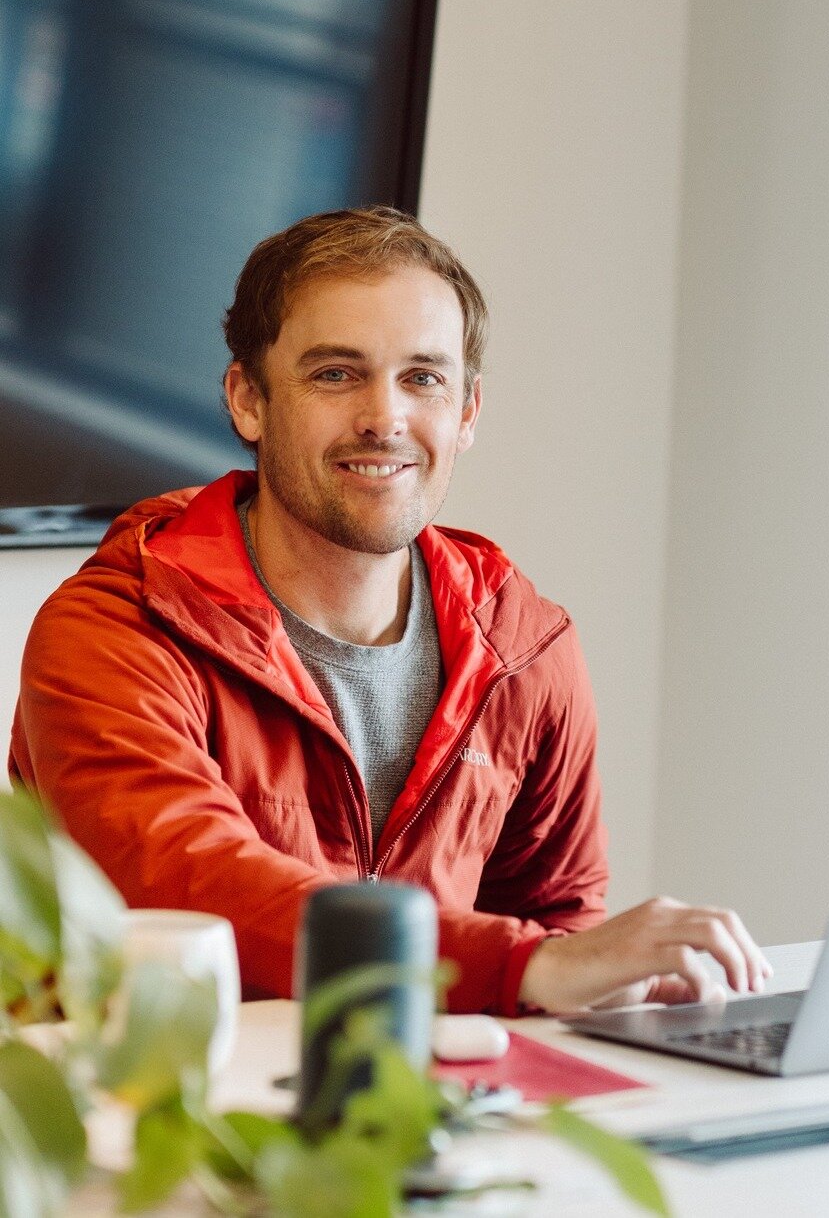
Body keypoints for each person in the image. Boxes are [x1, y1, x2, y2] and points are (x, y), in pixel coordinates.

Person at [9, 206, 769, 1014]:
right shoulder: (115, 628)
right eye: (335, 373)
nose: (385, 416)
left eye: (422, 377)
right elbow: (190, 878)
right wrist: (518, 968)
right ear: (248, 400)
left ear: (467, 411)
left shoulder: (526, 649)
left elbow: (557, 932)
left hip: (421, 1112)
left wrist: (608, 986)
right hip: (166, 1116)